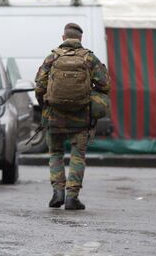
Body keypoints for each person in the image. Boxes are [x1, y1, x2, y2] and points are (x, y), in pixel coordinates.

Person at [35, 23, 110, 210]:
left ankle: (57, 192)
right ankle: (72, 197)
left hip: (54, 116)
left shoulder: (52, 57)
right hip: (81, 116)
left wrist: (45, 105)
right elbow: (105, 86)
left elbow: (40, 86)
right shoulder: (89, 58)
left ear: (63, 38)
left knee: (55, 153)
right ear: (80, 39)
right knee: (77, 155)